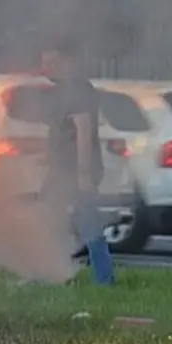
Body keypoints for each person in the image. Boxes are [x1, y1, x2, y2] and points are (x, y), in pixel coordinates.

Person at [39, 41, 115, 285]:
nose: (46, 68)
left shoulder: (78, 90)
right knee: (56, 219)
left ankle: (103, 278)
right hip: (61, 168)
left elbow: (83, 130)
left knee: (85, 222)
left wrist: (83, 174)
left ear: (66, 62)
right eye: (44, 63)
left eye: (52, 62)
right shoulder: (61, 90)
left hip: (74, 170)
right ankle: (53, 272)